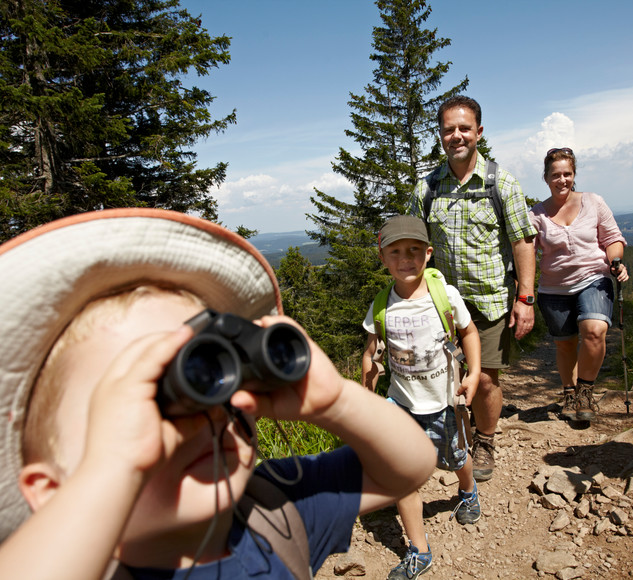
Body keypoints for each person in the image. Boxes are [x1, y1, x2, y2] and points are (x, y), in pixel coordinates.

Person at [0, 208, 437, 580]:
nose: (201, 413)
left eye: (206, 368)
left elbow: (412, 466)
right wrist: (115, 469)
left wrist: (334, 400)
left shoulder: (277, 506)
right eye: (143, 400)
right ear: (51, 491)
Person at [408, 95, 537, 481]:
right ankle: (451, 438)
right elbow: (415, 246)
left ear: (479, 132)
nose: (457, 136)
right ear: (441, 135)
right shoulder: (427, 188)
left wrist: (526, 298)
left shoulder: (502, 183)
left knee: (483, 380)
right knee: (443, 376)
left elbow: (523, 241)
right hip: (442, 305)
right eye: (449, 129)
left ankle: (485, 440)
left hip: (490, 301)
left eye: (464, 128)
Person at [361, 215, 481, 580]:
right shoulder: (382, 305)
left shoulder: (445, 296)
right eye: (395, 251)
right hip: (401, 404)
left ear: (428, 254)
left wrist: (474, 374)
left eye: (414, 250)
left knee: (456, 457)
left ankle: (468, 489)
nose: (405, 258)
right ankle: (419, 550)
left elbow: (469, 331)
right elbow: (371, 355)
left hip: (444, 401)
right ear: (383, 258)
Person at [529, 148, 628, 421]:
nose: (562, 180)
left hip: (594, 278)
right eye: (556, 175)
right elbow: (526, 254)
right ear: (546, 178)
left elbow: (612, 238)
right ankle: (570, 394)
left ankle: (586, 391)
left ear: (574, 175)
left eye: (567, 174)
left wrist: (615, 261)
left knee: (594, 331)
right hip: (553, 288)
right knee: (565, 345)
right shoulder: (536, 215)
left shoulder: (594, 202)